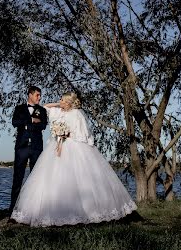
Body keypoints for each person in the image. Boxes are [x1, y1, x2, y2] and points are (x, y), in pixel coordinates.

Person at [10, 91, 137, 226]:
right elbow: (46, 107)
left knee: (76, 179)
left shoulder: (77, 114)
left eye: (63, 100)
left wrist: (67, 134)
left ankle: (85, 212)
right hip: (57, 146)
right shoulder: (59, 112)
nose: (60, 102)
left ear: (69, 102)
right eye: (60, 100)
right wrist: (60, 104)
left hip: (73, 147)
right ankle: (52, 212)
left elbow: (83, 134)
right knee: (54, 179)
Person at [9, 85, 48, 215]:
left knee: (35, 178)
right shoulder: (19, 108)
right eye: (37, 95)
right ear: (30, 95)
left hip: (36, 147)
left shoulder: (42, 110)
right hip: (21, 147)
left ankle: (34, 211)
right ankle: (13, 210)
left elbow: (43, 125)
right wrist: (31, 119)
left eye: (40, 95)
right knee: (17, 178)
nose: (39, 97)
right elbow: (15, 122)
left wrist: (27, 124)